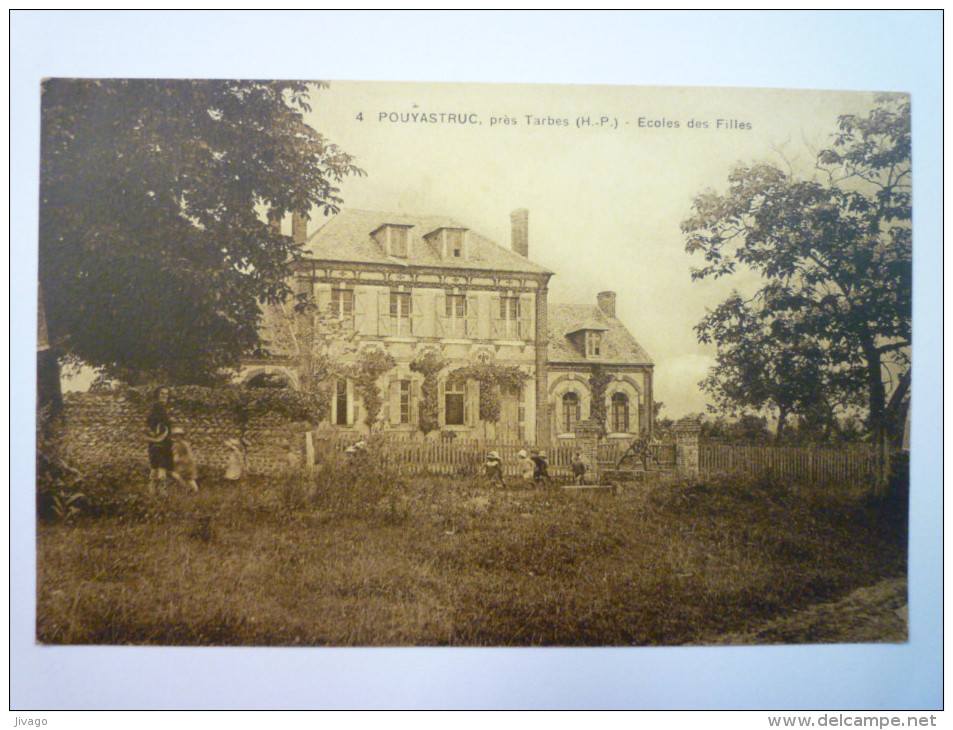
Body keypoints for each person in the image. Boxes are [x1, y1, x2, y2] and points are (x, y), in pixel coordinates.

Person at [145, 387, 174, 495]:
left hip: (155, 442)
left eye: (166, 394)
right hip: (161, 442)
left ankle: (152, 492)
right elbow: (160, 426)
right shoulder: (160, 408)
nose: (164, 396)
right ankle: (163, 494)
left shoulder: (156, 408)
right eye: (162, 393)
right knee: (162, 468)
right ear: (157, 394)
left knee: (155, 467)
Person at [170, 426, 199, 492]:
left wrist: (186, 461)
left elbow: (189, 454)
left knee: (188, 478)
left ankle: (193, 490)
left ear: (181, 436)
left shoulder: (184, 444)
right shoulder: (176, 444)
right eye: (175, 436)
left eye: (178, 436)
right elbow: (174, 453)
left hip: (186, 463)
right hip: (181, 463)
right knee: (177, 475)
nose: (177, 437)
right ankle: (188, 488)